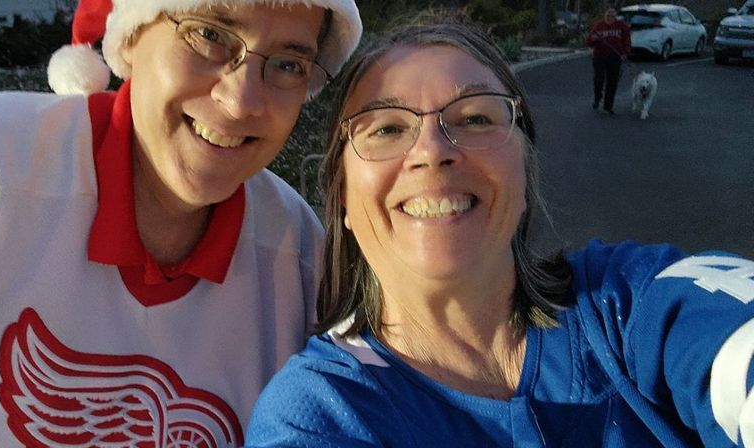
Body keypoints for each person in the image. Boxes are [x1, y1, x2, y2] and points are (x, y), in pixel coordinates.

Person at [0, 0, 361, 446]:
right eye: (210, 33)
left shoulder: (298, 257)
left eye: (288, 64)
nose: (241, 100)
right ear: (133, 39)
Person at [246, 21, 754, 447]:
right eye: (386, 129)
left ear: (525, 172)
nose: (431, 150)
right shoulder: (319, 414)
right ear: (342, 199)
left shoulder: (629, 306)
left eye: (474, 118)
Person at [586, 6, 631, 114]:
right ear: (605, 16)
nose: (610, 18)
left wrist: (625, 53)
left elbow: (627, 40)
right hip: (600, 56)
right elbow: (589, 41)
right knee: (599, 79)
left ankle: (608, 105)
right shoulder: (599, 26)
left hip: (615, 57)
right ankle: (597, 98)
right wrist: (594, 38)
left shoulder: (621, 26)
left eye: (613, 16)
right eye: (608, 16)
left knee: (612, 82)